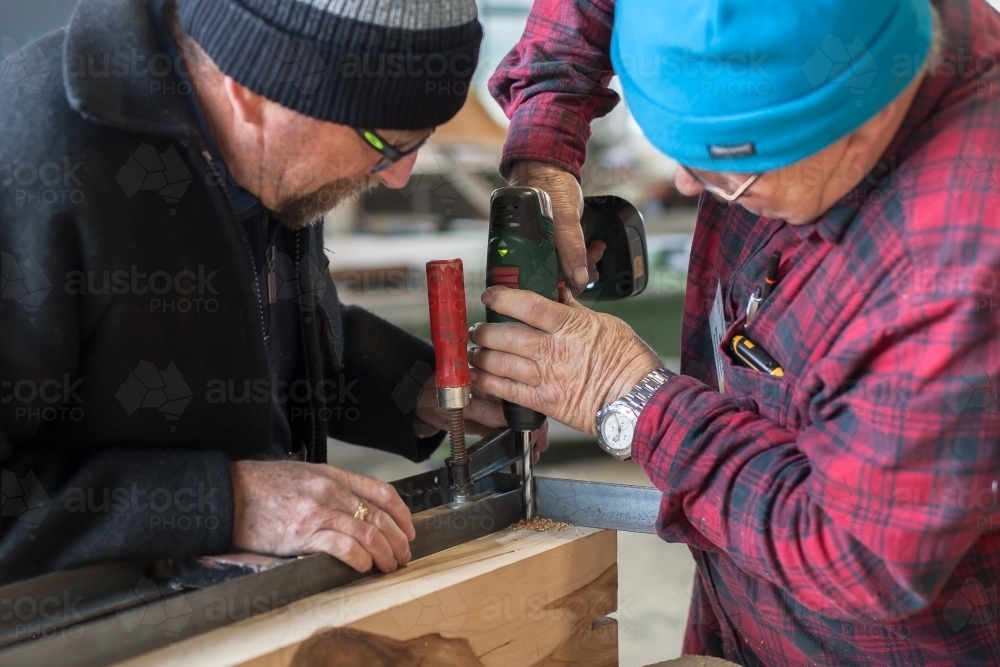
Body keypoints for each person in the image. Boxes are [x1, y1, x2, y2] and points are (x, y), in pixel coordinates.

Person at [476, 0, 1000, 664]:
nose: (688, 184)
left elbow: (857, 554)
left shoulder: (959, 259)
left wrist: (632, 397)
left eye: (731, 171)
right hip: (736, 599)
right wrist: (546, 152)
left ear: (860, 134)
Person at [0, 0, 514, 585]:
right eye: (387, 141)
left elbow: (257, 336)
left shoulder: (264, 133)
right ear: (249, 90)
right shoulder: (31, 162)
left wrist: (417, 389)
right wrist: (225, 503)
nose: (398, 173)